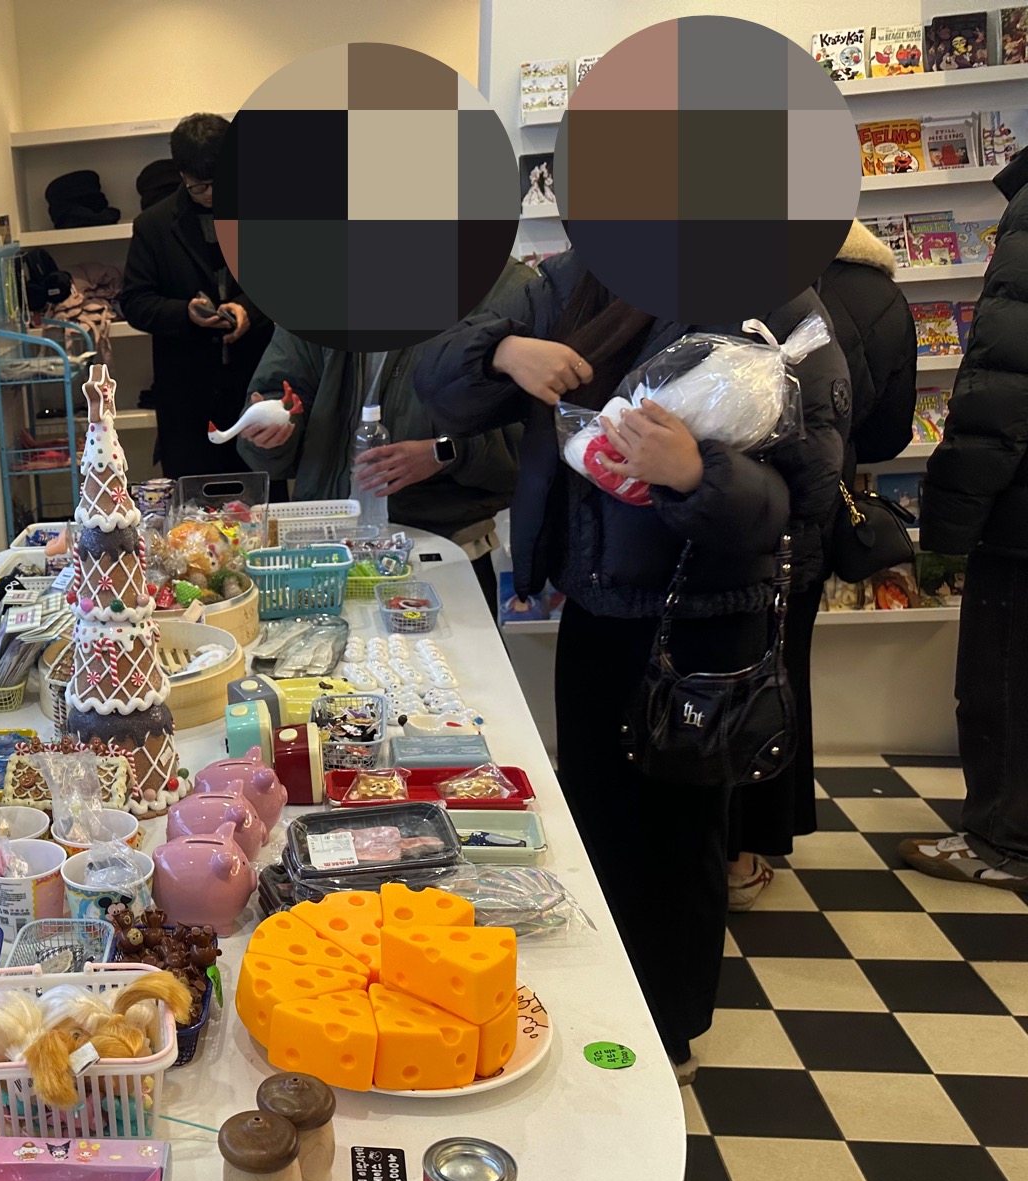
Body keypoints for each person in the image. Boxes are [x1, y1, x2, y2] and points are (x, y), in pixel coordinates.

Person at [416, 256, 847, 1078]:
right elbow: (439, 377)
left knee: (676, 838)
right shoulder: (574, 280)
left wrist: (697, 473)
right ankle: (609, 1010)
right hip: (596, 604)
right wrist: (504, 352)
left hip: (704, 617)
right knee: (595, 821)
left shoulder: (770, 294)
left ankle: (668, 1038)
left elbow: (810, 489)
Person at [729, 220, 916, 905]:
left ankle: (713, 850)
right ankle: (754, 846)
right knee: (780, 675)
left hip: (719, 507)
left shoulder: (724, 274)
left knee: (710, 672)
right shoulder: (876, 292)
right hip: (809, 515)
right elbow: (890, 432)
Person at [230, 260, 539, 619]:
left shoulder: (509, 287)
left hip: (441, 549)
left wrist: (444, 452)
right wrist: (272, 429)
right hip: (324, 552)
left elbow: (533, 438)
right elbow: (281, 393)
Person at [902, 149, 1028, 888]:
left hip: (1019, 522)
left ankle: (1000, 844)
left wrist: (947, 534)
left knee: (1002, 683)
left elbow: (1001, 391)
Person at [121, 113, 273, 478]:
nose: (213, 195)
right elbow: (135, 302)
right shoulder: (153, 225)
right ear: (182, 175)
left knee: (260, 499)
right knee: (189, 506)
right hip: (186, 399)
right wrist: (184, 314)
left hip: (255, 389)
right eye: (200, 187)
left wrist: (248, 309)